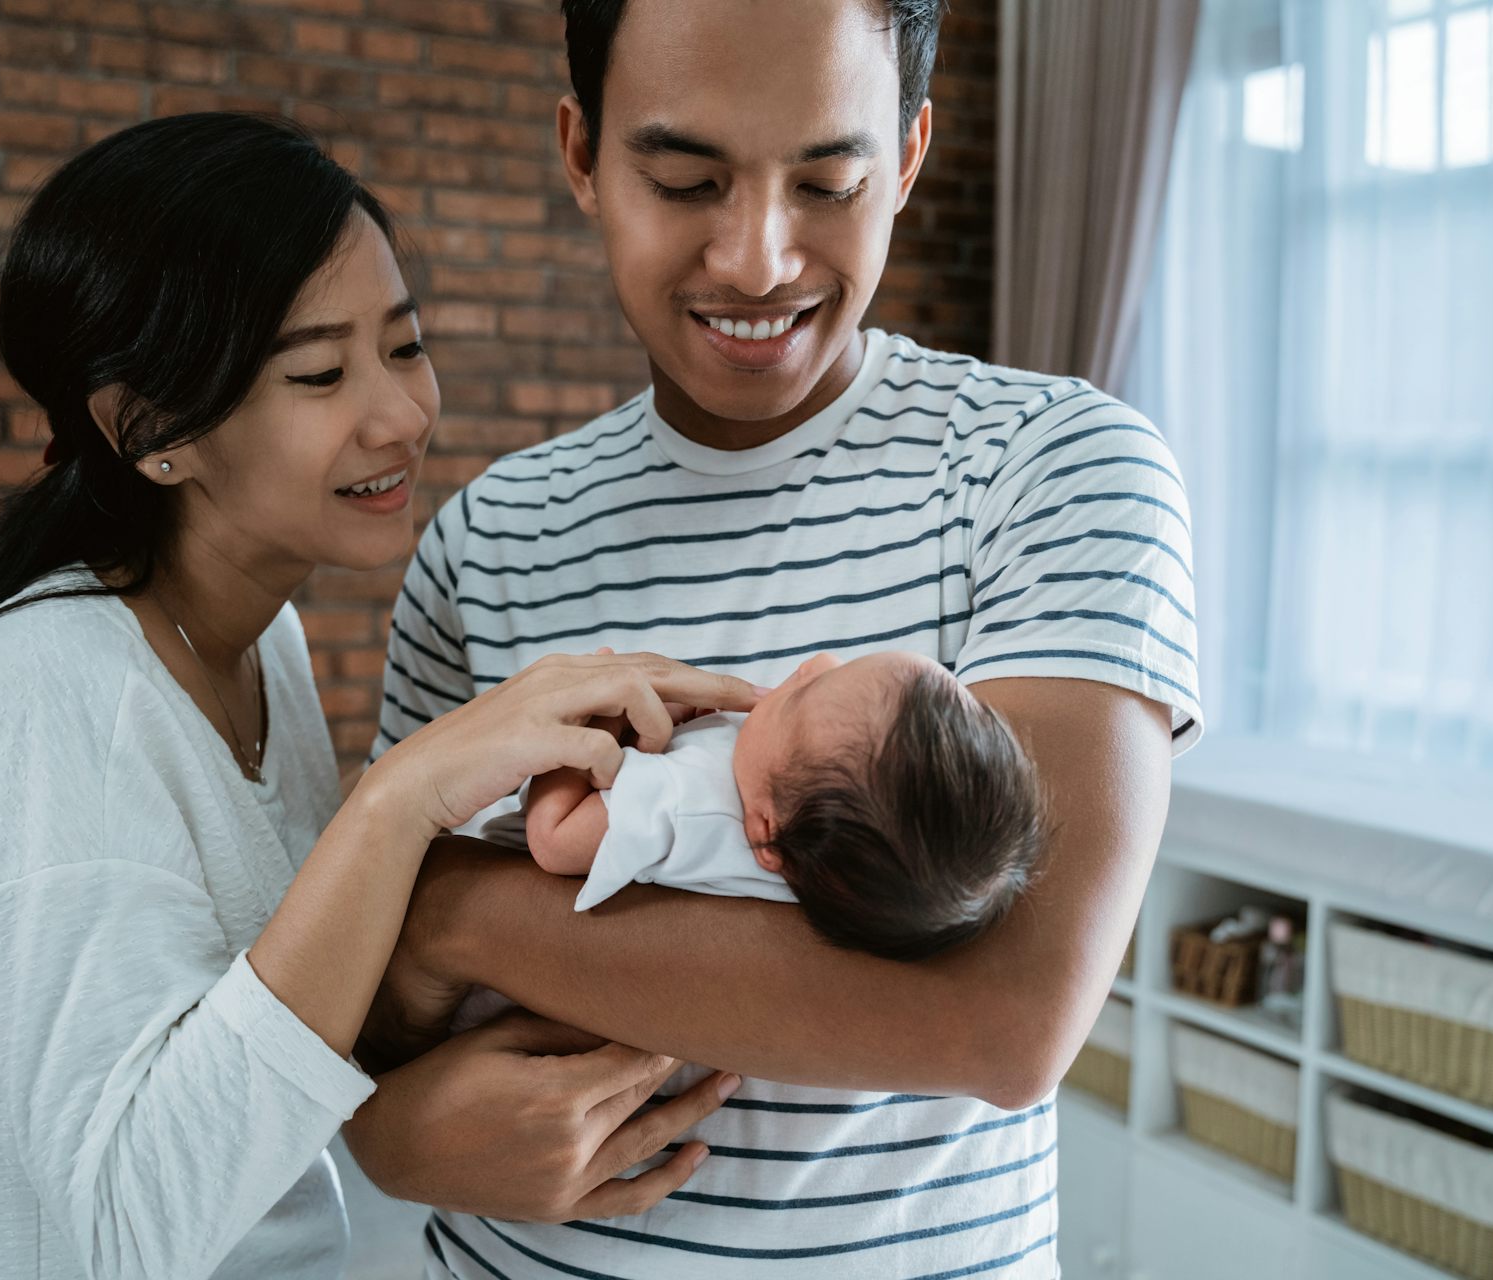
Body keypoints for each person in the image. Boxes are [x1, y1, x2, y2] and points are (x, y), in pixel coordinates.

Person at [0, 112, 761, 1279]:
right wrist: (398, 799)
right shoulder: (40, 696)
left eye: (404, 347)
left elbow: (255, 1042)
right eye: (320, 372)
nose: (402, 413)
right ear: (147, 428)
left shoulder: (263, 644)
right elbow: (126, 1226)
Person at [350, 0, 1203, 1276]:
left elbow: (1006, 1017)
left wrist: (452, 914)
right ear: (582, 154)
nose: (756, 259)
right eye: (687, 178)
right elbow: (367, 1021)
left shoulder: (1051, 471)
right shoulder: (492, 537)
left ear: (908, 157)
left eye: (830, 180)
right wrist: (392, 1135)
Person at [522, 650, 1048, 961]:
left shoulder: (692, 803)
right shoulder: (825, 848)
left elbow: (553, 837)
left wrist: (590, 724)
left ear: (763, 829)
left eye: (800, 695)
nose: (814, 663)